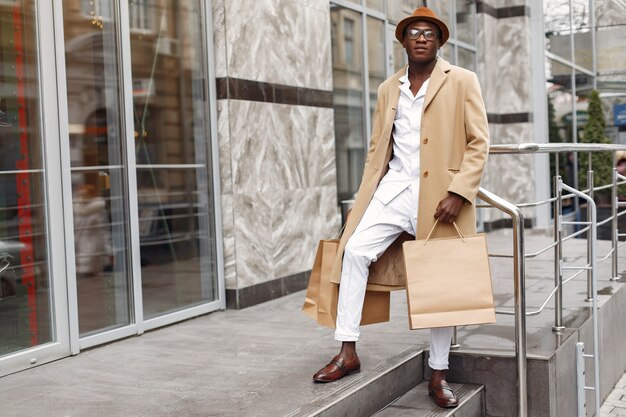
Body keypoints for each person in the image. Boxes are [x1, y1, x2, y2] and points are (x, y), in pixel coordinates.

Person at [312, 7, 490, 409]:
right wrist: (364, 197)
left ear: (439, 41)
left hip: (442, 197)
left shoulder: (462, 80)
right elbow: (379, 147)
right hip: (393, 188)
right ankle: (347, 351)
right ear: (404, 42)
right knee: (354, 252)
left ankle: (438, 373)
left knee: (441, 281)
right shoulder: (387, 88)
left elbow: (479, 142)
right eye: (414, 32)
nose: (421, 38)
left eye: (429, 32)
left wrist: (459, 192)